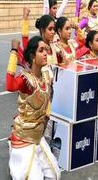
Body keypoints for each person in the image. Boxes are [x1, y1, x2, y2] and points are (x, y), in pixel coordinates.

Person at [6, 36, 60, 180]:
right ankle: (14, 156)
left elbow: (47, 99)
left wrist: (46, 118)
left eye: (46, 51)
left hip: (38, 137)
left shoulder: (47, 76)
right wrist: (13, 51)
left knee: (55, 176)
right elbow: (9, 85)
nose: (45, 54)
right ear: (32, 56)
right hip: (24, 138)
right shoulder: (26, 79)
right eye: (41, 50)